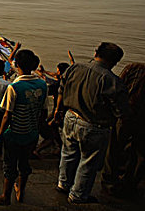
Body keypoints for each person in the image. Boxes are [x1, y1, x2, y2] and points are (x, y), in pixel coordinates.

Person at [54, 42, 128, 205]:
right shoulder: (111, 80)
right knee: (88, 162)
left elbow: (61, 89)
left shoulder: (75, 68)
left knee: (68, 153)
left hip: (70, 117)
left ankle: (63, 183)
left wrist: (58, 111)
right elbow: (120, 111)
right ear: (115, 61)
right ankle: (78, 195)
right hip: (93, 125)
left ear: (96, 53)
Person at [0, 49, 47, 205]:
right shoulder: (42, 85)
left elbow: (7, 115)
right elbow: (44, 111)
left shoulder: (14, 87)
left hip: (14, 134)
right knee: (25, 165)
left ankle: (5, 197)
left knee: (10, 166)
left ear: (17, 65)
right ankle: (21, 192)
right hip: (32, 134)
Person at [101, 62, 145, 198]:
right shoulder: (135, 68)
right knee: (139, 154)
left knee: (114, 148)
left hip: (125, 114)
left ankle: (110, 182)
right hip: (136, 117)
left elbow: (117, 87)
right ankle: (130, 182)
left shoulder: (134, 68)